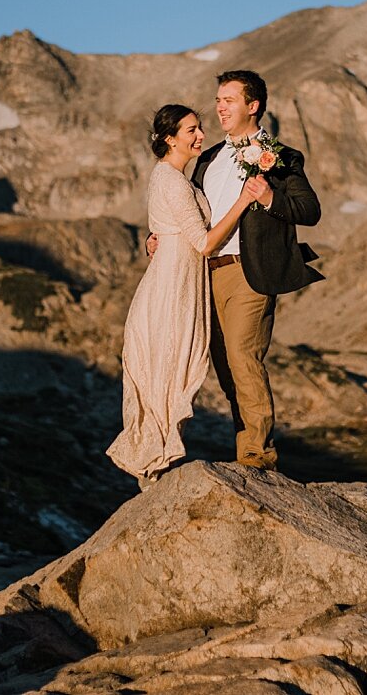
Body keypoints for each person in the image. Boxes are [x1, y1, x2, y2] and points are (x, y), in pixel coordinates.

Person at [107, 104, 259, 487]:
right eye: (191, 130)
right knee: (168, 369)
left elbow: (170, 230)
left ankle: (155, 468)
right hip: (173, 288)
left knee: (171, 371)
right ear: (169, 139)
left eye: (200, 128)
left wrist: (156, 239)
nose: (200, 136)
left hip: (178, 280)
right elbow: (204, 242)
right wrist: (243, 201)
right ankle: (153, 470)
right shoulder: (172, 181)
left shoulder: (175, 179)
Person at [192, 70, 323, 470]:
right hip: (204, 274)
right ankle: (245, 444)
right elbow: (191, 212)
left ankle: (257, 455)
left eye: (229, 100)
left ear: (253, 106)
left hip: (250, 273)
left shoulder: (281, 158)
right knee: (224, 365)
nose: (219, 107)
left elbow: (309, 210)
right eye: (218, 100)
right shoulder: (208, 160)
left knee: (243, 355)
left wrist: (269, 197)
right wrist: (155, 236)